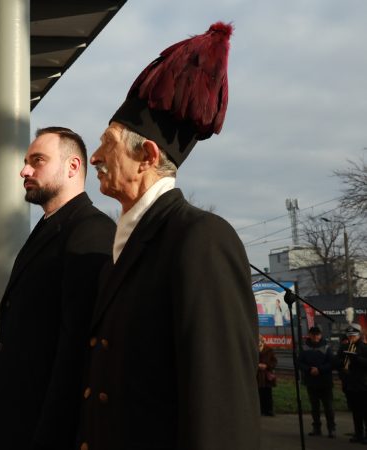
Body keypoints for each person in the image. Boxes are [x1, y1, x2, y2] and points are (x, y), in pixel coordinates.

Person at [77, 22, 260, 450]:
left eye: (108, 143)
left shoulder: (201, 239)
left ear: (147, 156)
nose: (95, 157)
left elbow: (221, 413)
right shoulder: (129, 242)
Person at [0, 127, 116, 450]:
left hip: (40, 432)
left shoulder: (92, 231)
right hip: (13, 423)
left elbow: (75, 353)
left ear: (72, 167)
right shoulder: (48, 226)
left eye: (37, 160)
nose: (24, 171)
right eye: (26, 162)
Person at [298, 326, 335, 437]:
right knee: (314, 407)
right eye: (313, 334)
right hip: (311, 382)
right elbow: (299, 362)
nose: (315, 336)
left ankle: (331, 429)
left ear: (320, 335)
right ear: (309, 335)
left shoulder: (327, 347)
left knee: (328, 407)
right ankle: (316, 428)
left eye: (317, 334)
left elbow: (331, 363)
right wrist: (309, 369)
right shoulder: (304, 348)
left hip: (325, 382)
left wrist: (319, 369)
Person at [337, 323, 367, 443]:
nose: (351, 338)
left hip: (363, 385)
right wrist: (341, 364)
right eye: (349, 336)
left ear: (359, 335)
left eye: (353, 336)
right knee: (355, 412)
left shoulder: (364, 348)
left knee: (365, 412)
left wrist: (356, 358)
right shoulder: (344, 347)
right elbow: (337, 362)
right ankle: (358, 434)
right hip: (350, 384)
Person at [257, 335, 278, 417]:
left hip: (266, 375)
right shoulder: (253, 349)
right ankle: (261, 410)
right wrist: (257, 365)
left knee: (268, 393)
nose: (259, 341)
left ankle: (269, 410)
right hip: (257, 375)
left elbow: (274, 361)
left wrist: (267, 366)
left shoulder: (269, 349)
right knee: (259, 393)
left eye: (260, 340)